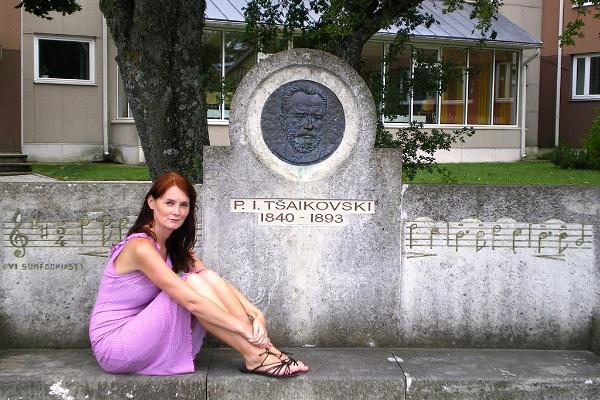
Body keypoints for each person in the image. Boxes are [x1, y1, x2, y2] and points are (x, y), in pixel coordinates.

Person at [89, 171, 308, 377]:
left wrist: (256, 314)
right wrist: (244, 329)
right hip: (115, 344)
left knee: (205, 277)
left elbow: (211, 278)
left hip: (142, 328)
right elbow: (191, 301)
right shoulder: (141, 247)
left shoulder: (174, 245)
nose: (177, 211)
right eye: (169, 203)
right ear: (151, 202)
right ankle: (256, 354)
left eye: (184, 205)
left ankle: (263, 352)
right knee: (192, 283)